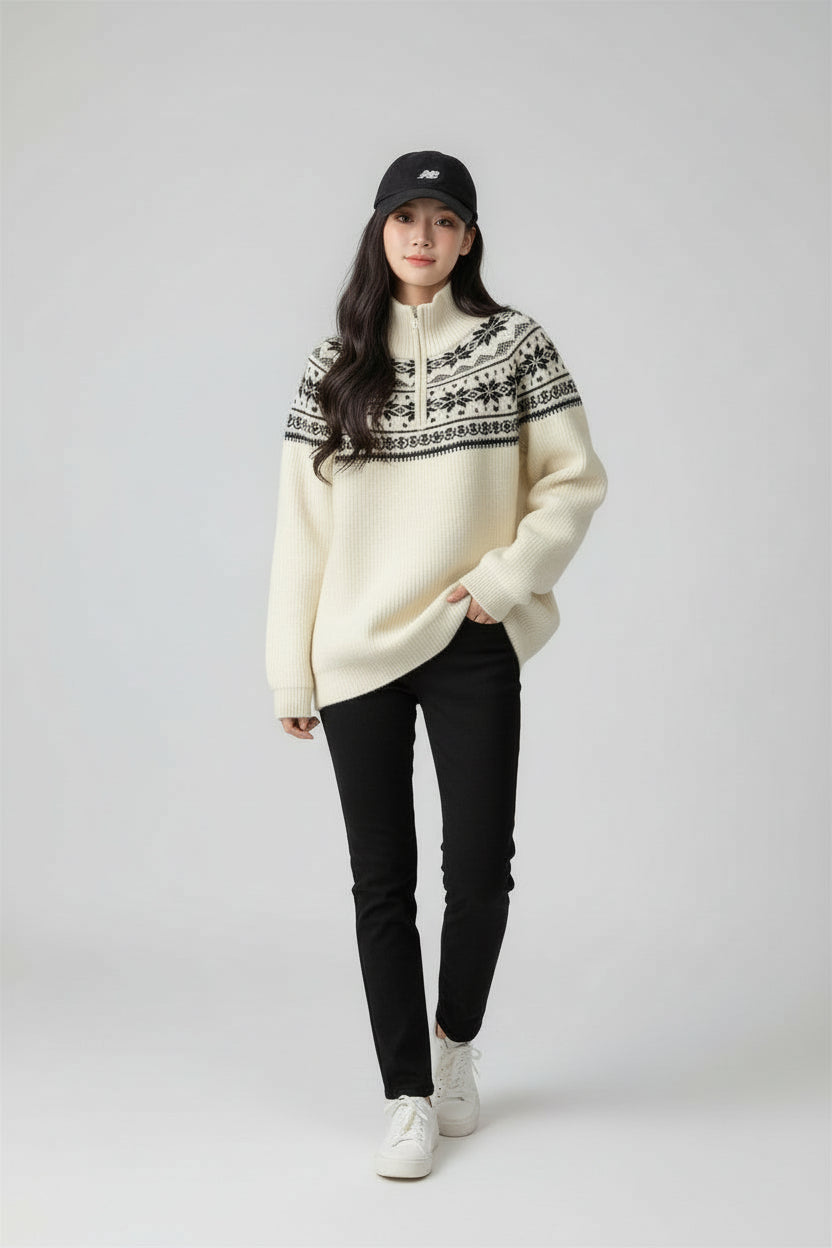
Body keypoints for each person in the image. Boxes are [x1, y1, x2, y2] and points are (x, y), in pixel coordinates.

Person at [264, 150, 608, 1179]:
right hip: (354, 649)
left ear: (469, 238)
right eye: (405, 218)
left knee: (481, 869)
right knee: (382, 883)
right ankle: (406, 1096)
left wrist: (503, 582)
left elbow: (573, 482)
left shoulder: (514, 345)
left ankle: (455, 1043)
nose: (423, 236)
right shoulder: (333, 365)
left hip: (470, 635)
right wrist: (292, 669)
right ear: (380, 232)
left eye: (444, 219)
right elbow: (301, 532)